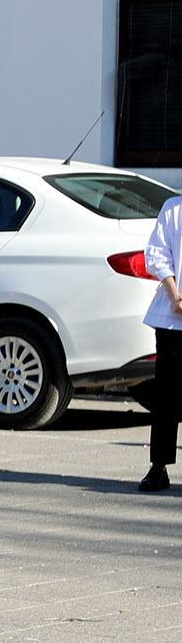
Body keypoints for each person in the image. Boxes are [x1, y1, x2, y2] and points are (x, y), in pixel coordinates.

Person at [139, 190, 182, 491]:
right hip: (172, 319)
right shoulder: (173, 208)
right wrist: (174, 294)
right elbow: (156, 254)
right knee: (167, 395)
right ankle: (159, 467)